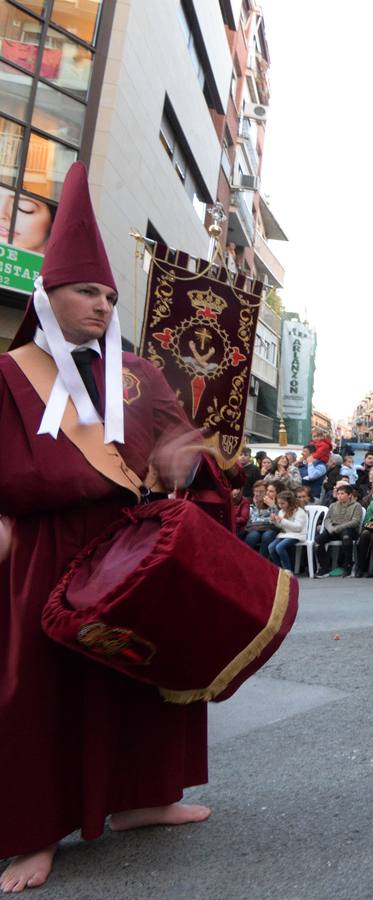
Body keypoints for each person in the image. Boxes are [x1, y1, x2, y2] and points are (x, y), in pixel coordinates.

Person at [0, 162, 221, 892]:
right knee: (39, 688)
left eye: (107, 294)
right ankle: (33, 831)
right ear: (48, 294)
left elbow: (184, 450)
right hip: (45, 551)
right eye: (86, 291)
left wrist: (184, 461)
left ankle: (143, 798)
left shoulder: (140, 374)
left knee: (143, 672)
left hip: (128, 547)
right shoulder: (9, 374)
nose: (101, 302)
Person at [320, 483, 364, 577]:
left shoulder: (356, 506)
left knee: (346, 538)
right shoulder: (333, 505)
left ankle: (347, 566)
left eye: (342, 494)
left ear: (349, 495)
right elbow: (327, 519)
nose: (339, 496)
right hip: (334, 529)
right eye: (338, 493)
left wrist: (340, 527)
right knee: (317, 541)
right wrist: (330, 528)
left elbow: (355, 522)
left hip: (349, 529)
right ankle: (324, 567)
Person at [265, 490, 307, 572]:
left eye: (282, 503)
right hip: (285, 534)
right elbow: (281, 526)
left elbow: (298, 528)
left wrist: (282, 520)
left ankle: (288, 570)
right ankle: (279, 569)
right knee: (271, 547)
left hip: (297, 534)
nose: (280, 506)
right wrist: (274, 521)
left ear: (290, 502)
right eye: (279, 503)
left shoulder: (299, 511)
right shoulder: (281, 511)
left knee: (279, 547)